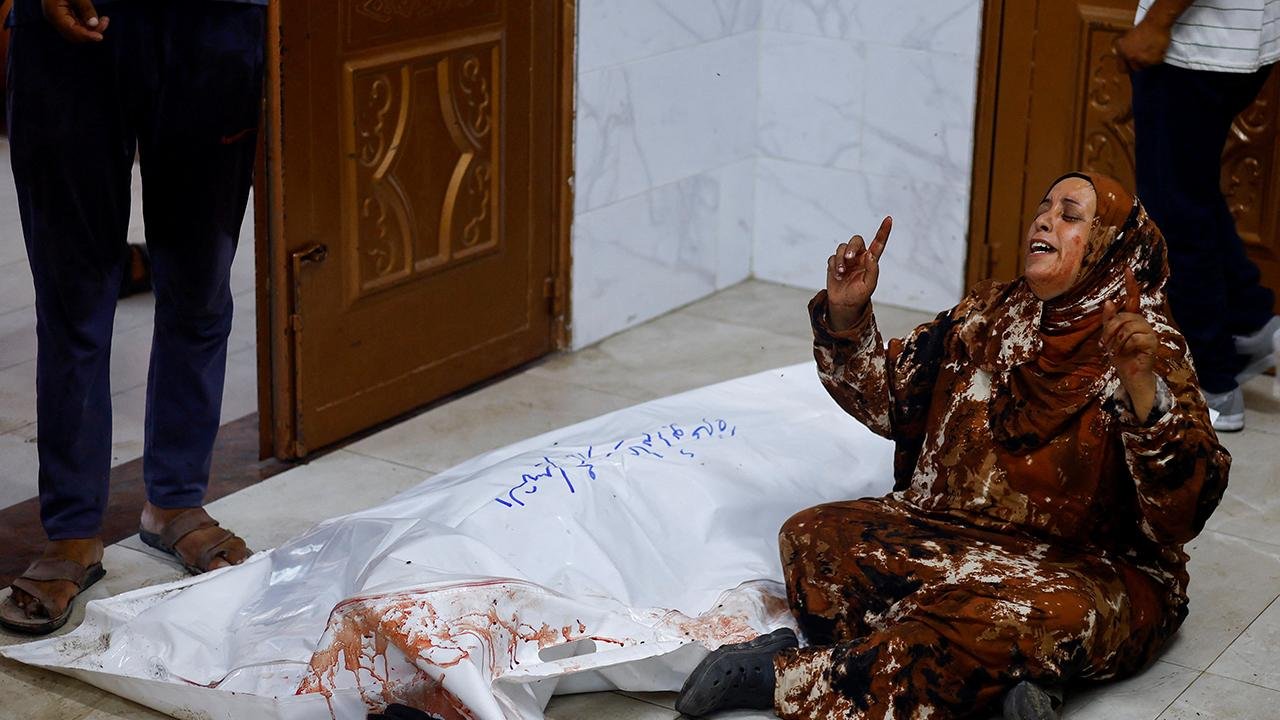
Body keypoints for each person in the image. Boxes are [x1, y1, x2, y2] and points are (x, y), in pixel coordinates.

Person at [675, 173, 1230, 719]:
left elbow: (1181, 513)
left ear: (1110, 248)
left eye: (1070, 216)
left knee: (1018, 616)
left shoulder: (1143, 346)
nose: (1044, 221)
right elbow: (890, 400)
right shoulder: (987, 315)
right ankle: (1001, 681)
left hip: (1083, 572)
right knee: (814, 537)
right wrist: (847, 315)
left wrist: (1143, 394)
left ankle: (782, 677)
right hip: (952, 539)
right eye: (1043, 207)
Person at [0, 0, 265, 634]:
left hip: (214, 30)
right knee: (72, 300)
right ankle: (72, 529)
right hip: (69, 33)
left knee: (200, 286)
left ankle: (174, 501)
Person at [1116, 0, 1280, 432]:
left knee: (1175, 215)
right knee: (1191, 194)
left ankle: (1214, 385)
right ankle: (1250, 322)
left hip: (1196, 44)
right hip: (1245, 40)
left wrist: (1156, 22)